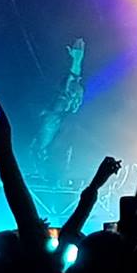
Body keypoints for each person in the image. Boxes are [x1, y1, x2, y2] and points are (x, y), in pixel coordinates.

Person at [30, 38, 86, 173]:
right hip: (45, 155)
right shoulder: (53, 121)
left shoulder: (57, 120)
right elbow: (70, 87)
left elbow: (70, 86)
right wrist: (76, 61)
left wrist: (76, 62)